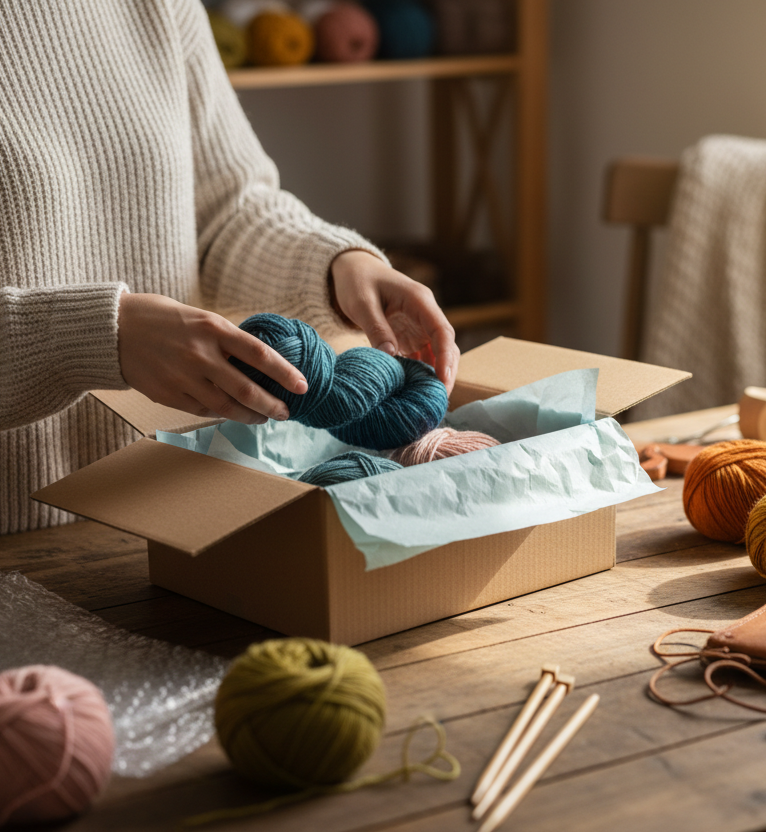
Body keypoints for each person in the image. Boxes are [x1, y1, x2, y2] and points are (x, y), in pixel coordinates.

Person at [0, 0, 459, 535]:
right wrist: (96, 337)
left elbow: (228, 210)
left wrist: (337, 266)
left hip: (174, 512)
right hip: (15, 536)